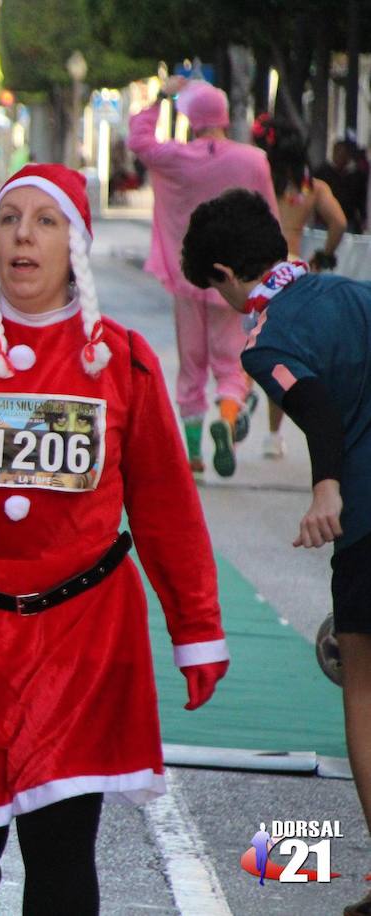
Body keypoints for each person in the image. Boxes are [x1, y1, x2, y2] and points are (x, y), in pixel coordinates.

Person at [0, 164, 229, 916]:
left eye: (45, 221)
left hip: (81, 636)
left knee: (62, 848)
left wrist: (196, 627)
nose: (24, 236)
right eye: (10, 221)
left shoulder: (122, 358)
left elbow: (165, 502)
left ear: (76, 243)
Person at [180, 188, 371, 916]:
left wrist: (326, 487)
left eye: (216, 291)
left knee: (362, 682)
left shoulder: (268, 339)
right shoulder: (349, 290)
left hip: (368, 517)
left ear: (228, 274)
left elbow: (314, 403)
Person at [128, 76, 278, 477]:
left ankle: (192, 454)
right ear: (225, 119)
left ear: (191, 119)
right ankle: (226, 421)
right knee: (232, 364)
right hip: (235, 280)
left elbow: (139, 140)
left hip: (187, 276)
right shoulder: (253, 161)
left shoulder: (175, 158)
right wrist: (271, 266)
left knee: (191, 365)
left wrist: (161, 97)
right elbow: (269, 218)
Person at [250, 114, 346, 459]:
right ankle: (274, 436)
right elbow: (339, 222)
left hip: (258, 268)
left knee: (250, 343)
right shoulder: (313, 188)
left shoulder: (260, 181)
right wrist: (322, 256)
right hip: (292, 270)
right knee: (281, 353)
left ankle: (241, 398)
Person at [313, 137, 367, 235]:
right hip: (323, 222)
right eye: (338, 153)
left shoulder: (356, 175)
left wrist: (363, 217)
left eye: (344, 154)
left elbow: (361, 198)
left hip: (348, 221)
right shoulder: (322, 172)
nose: (340, 157)